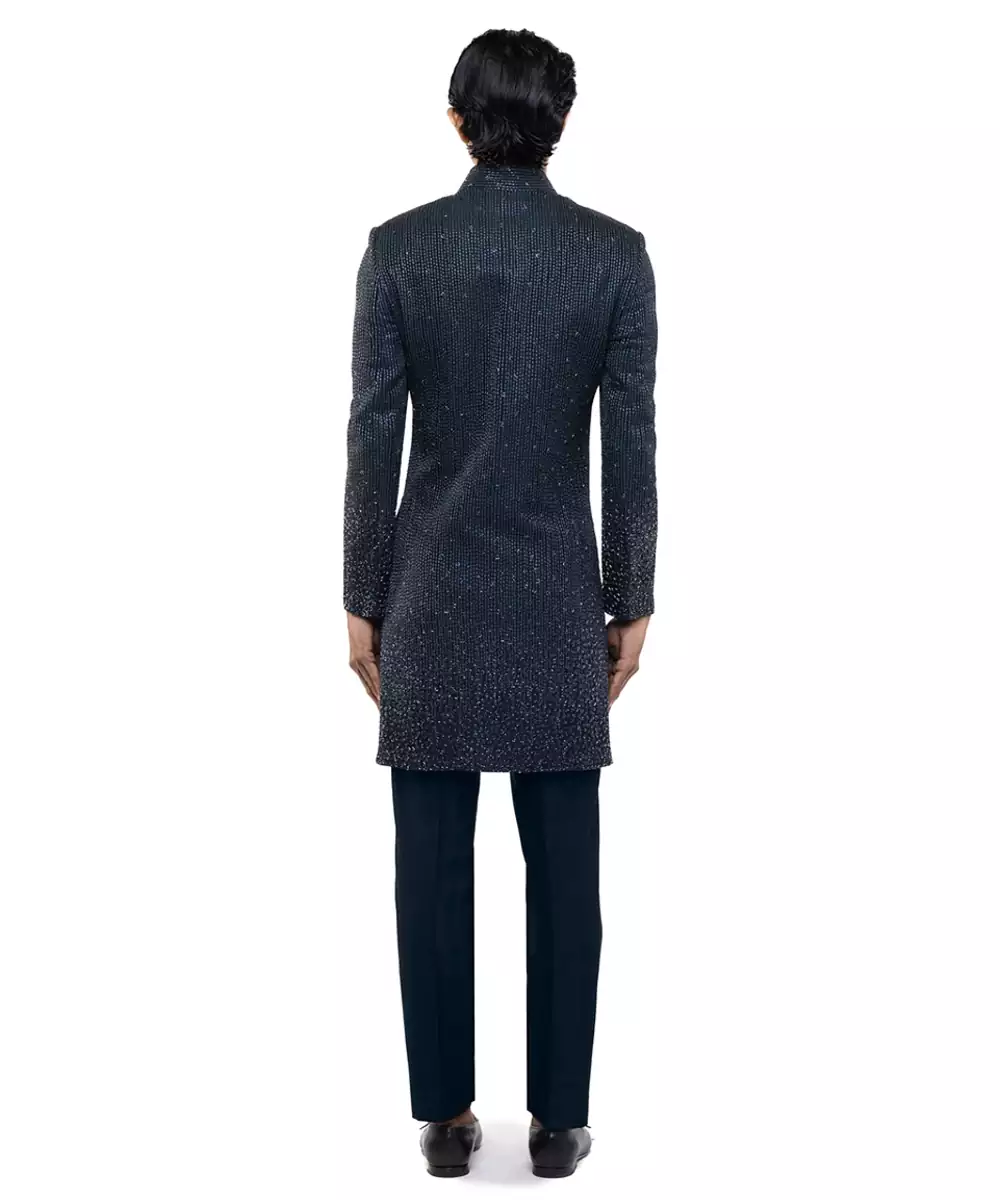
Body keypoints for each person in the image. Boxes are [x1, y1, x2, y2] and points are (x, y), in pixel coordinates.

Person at [343, 28, 657, 1179]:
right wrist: (631, 593)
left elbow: (372, 436)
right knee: (565, 874)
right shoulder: (613, 257)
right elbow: (630, 444)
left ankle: (443, 1118)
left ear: (456, 121)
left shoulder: (398, 251)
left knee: (428, 870)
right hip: (557, 598)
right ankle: (560, 1121)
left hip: (426, 593)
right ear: (560, 122)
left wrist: (360, 594)